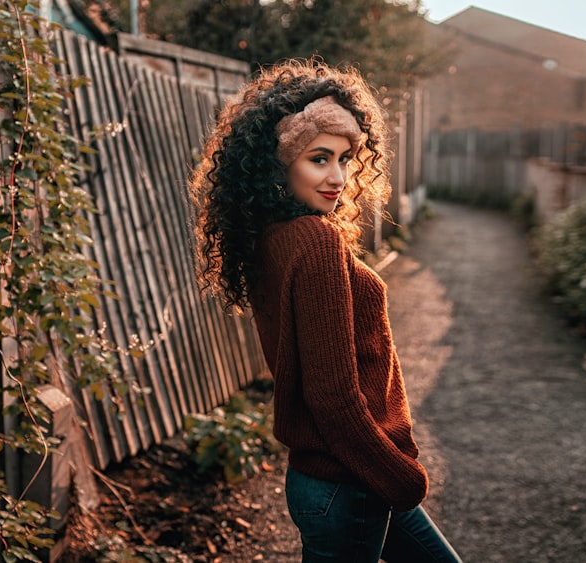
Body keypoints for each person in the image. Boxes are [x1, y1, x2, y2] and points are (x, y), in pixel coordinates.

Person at [189, 58, 462, 563]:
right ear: (280, 161)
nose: (337, 176)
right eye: (319, 158)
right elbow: (332, 395)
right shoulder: (314, 241)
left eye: (345, 158)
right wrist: (399, 474)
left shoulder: (274, 234)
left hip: (343, 473)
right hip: (351, 480)